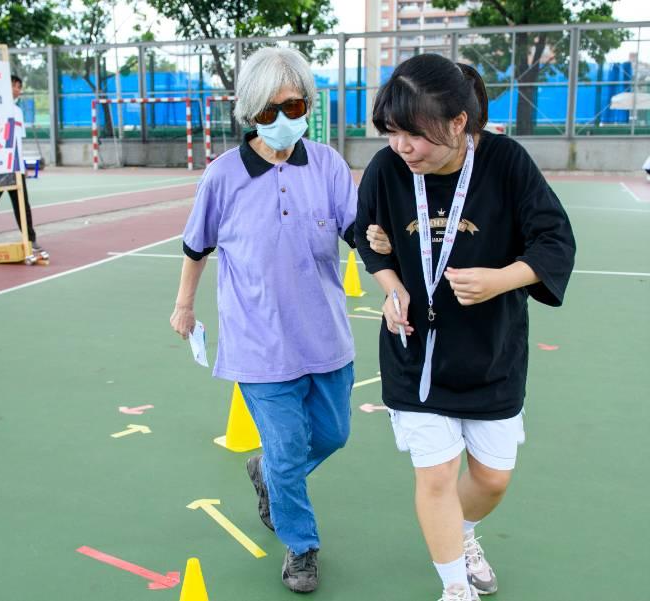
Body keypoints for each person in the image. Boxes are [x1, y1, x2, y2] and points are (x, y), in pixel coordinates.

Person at [354, 54, 576, 601]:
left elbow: (555, 242)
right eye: (391, 133)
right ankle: (455, 586)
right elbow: (365, 233)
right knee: (435, 476)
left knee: (492, 479)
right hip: (415, 354)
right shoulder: (389, 168)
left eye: (414, 135)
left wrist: (502, 279)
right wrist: (390, 284)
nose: (402, 147)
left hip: (490, 351)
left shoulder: (506, 163)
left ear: (457, 123)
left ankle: (464, 534)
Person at [170, 47, 358, 594]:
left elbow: (359, 232)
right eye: (267, 112)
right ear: (250, 115)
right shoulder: (223, 176)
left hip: (326, 337)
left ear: (308, 105)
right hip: (259, 346)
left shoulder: (326, 165)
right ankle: (301, 547)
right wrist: (184, 305)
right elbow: (195, 245)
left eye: (292, 105)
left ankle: (269, 478)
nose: (281, 120)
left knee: (333, 435)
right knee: (284, 446)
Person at [0, 75, 41, 253]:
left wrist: (23, 165)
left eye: (19, 86)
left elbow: (18, 140)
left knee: (22, 204)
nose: (17, 89)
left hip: (15, 166)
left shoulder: (18, 112)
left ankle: (30, 239)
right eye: (14, 86)